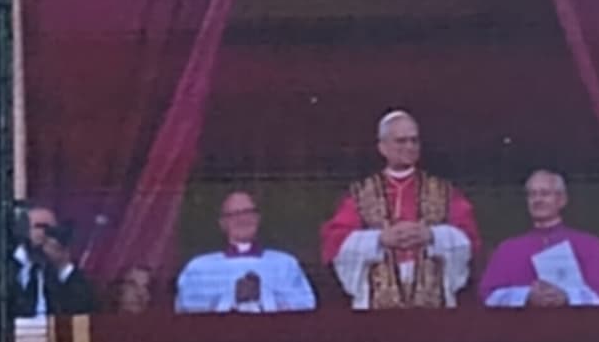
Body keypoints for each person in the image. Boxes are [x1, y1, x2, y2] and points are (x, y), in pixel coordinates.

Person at [320, 111, 479, 309]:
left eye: (414, 141)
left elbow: (469, 239)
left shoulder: (444, 191)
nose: (410, 147)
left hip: (433, 301)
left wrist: (432, 235)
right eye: (401, 141)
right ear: (382, 147)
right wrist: (379, 239)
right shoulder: (361, 193)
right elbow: (336, 241)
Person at [481, 170, 599, 307]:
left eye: (545, 194)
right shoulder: (508, 249)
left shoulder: (589, 245)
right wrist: (527, 295)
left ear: (562, 200)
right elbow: (488, 297)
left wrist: (567, 296)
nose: (537, 200)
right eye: (532, 194)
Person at [175, 192, 316, 313]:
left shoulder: (285, 264)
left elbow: (305, 306)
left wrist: (262, 295)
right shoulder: (200, 267)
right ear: (222, 223)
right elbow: (188, 311)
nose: (242, 219)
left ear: (258, 218)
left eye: (248, 212)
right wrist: (232, 296)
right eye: (234, 214)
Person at [11, 207, 98, 316]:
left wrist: (62, 265)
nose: (46, 234)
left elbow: (84, 305)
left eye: (52, 229)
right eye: (40, 227)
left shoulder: (53, 270)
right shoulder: (10, 265)